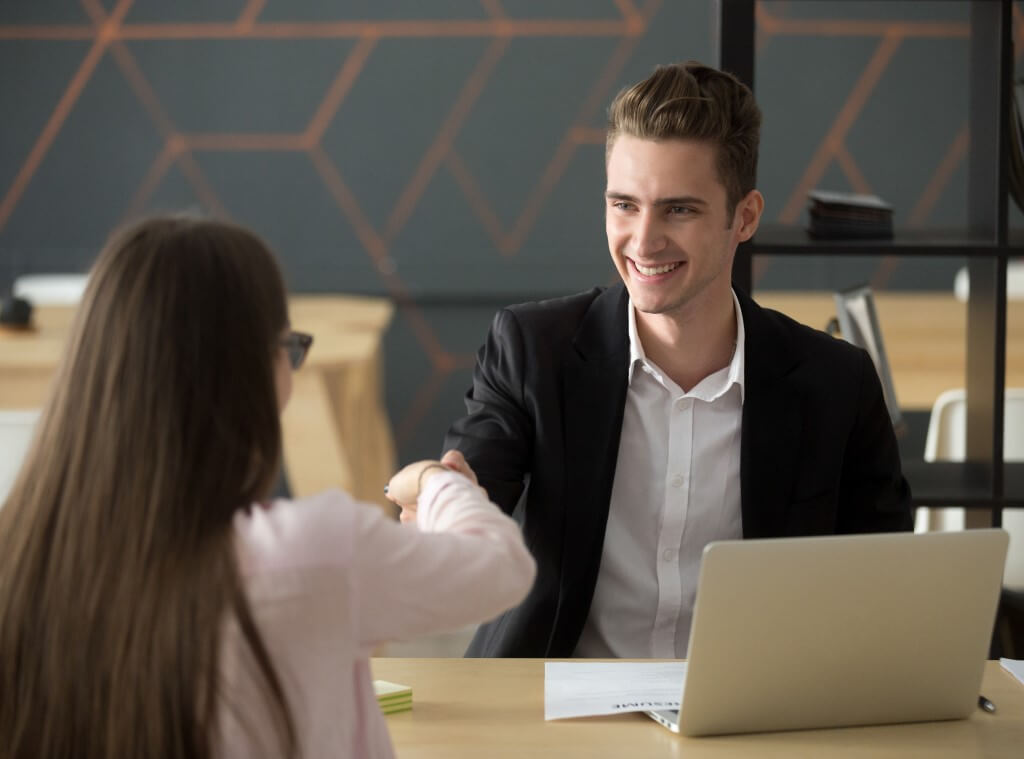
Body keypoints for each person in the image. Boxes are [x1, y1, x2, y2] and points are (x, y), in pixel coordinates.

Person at [0, 216, 535, 758]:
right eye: (288, 346)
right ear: (252, 371)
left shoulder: (21, 559)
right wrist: (435, 481)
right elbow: (500, 567)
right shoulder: (317, 552)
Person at [430, 61, 912, 658]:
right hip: (561, 715)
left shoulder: (837, 384)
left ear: (746, 217)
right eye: (624, 205)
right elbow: (469, 492)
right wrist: (440, 491)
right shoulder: (533, 350)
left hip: (753, 719)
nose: (643, 240)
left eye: (679, 210)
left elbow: (883, 590)